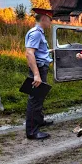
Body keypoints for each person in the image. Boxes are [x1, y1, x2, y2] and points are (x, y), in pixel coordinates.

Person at [24, 8, 54, 140]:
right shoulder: (36, 33)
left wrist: (48, 51)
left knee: (39, 97)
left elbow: (37, 52)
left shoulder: (38, 33)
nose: (50, 22)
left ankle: (39, 121)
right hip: (39, 70)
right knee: (35, 100)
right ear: (43, 19)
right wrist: (36, 75)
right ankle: (32, 132)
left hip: (41, 68)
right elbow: (29, 53)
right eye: (50, 19)